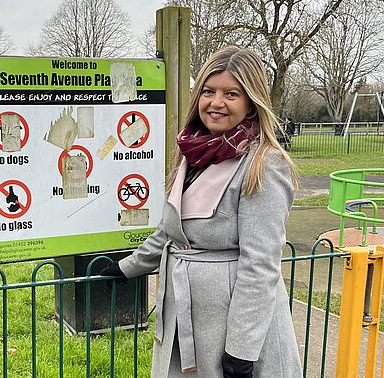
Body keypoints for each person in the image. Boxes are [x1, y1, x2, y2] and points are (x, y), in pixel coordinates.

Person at [102, 46, 302, 378]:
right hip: (185, 317)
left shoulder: (263, 164)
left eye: (231, 94)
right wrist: (127, 268)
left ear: (252, 101)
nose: (216, 102)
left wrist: (241, 352)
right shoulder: (193, 152)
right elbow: (172, 231)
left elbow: (260, 265)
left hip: (233, 329)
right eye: (208, 91)